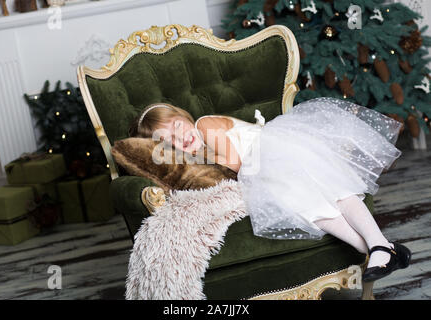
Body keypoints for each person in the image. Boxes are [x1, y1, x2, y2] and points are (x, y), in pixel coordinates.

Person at [128, 97, 411, 282]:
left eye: (178, 126)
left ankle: (378, 245)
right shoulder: (194, 158)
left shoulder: (205, 126)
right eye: (170, 141)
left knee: (335, 191)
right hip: (271, 175)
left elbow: (239, 165)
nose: (181, 137)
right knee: (310, 209)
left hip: (280, 151)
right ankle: (384, 251)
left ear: (185, 116)